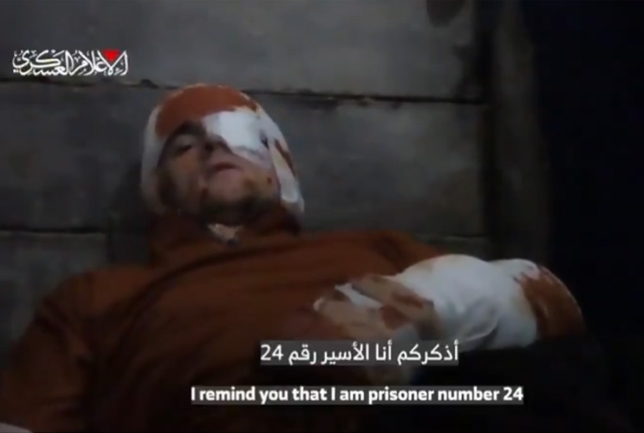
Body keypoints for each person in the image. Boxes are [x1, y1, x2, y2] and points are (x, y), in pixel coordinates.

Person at [0, 85, 603, 432]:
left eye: (240, 137)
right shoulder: (98, 298)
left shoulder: (375, 249)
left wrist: (398, 320)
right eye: (184, 145)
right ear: (159, 189)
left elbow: (545, 303)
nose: (214, 145)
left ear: (279, 168)